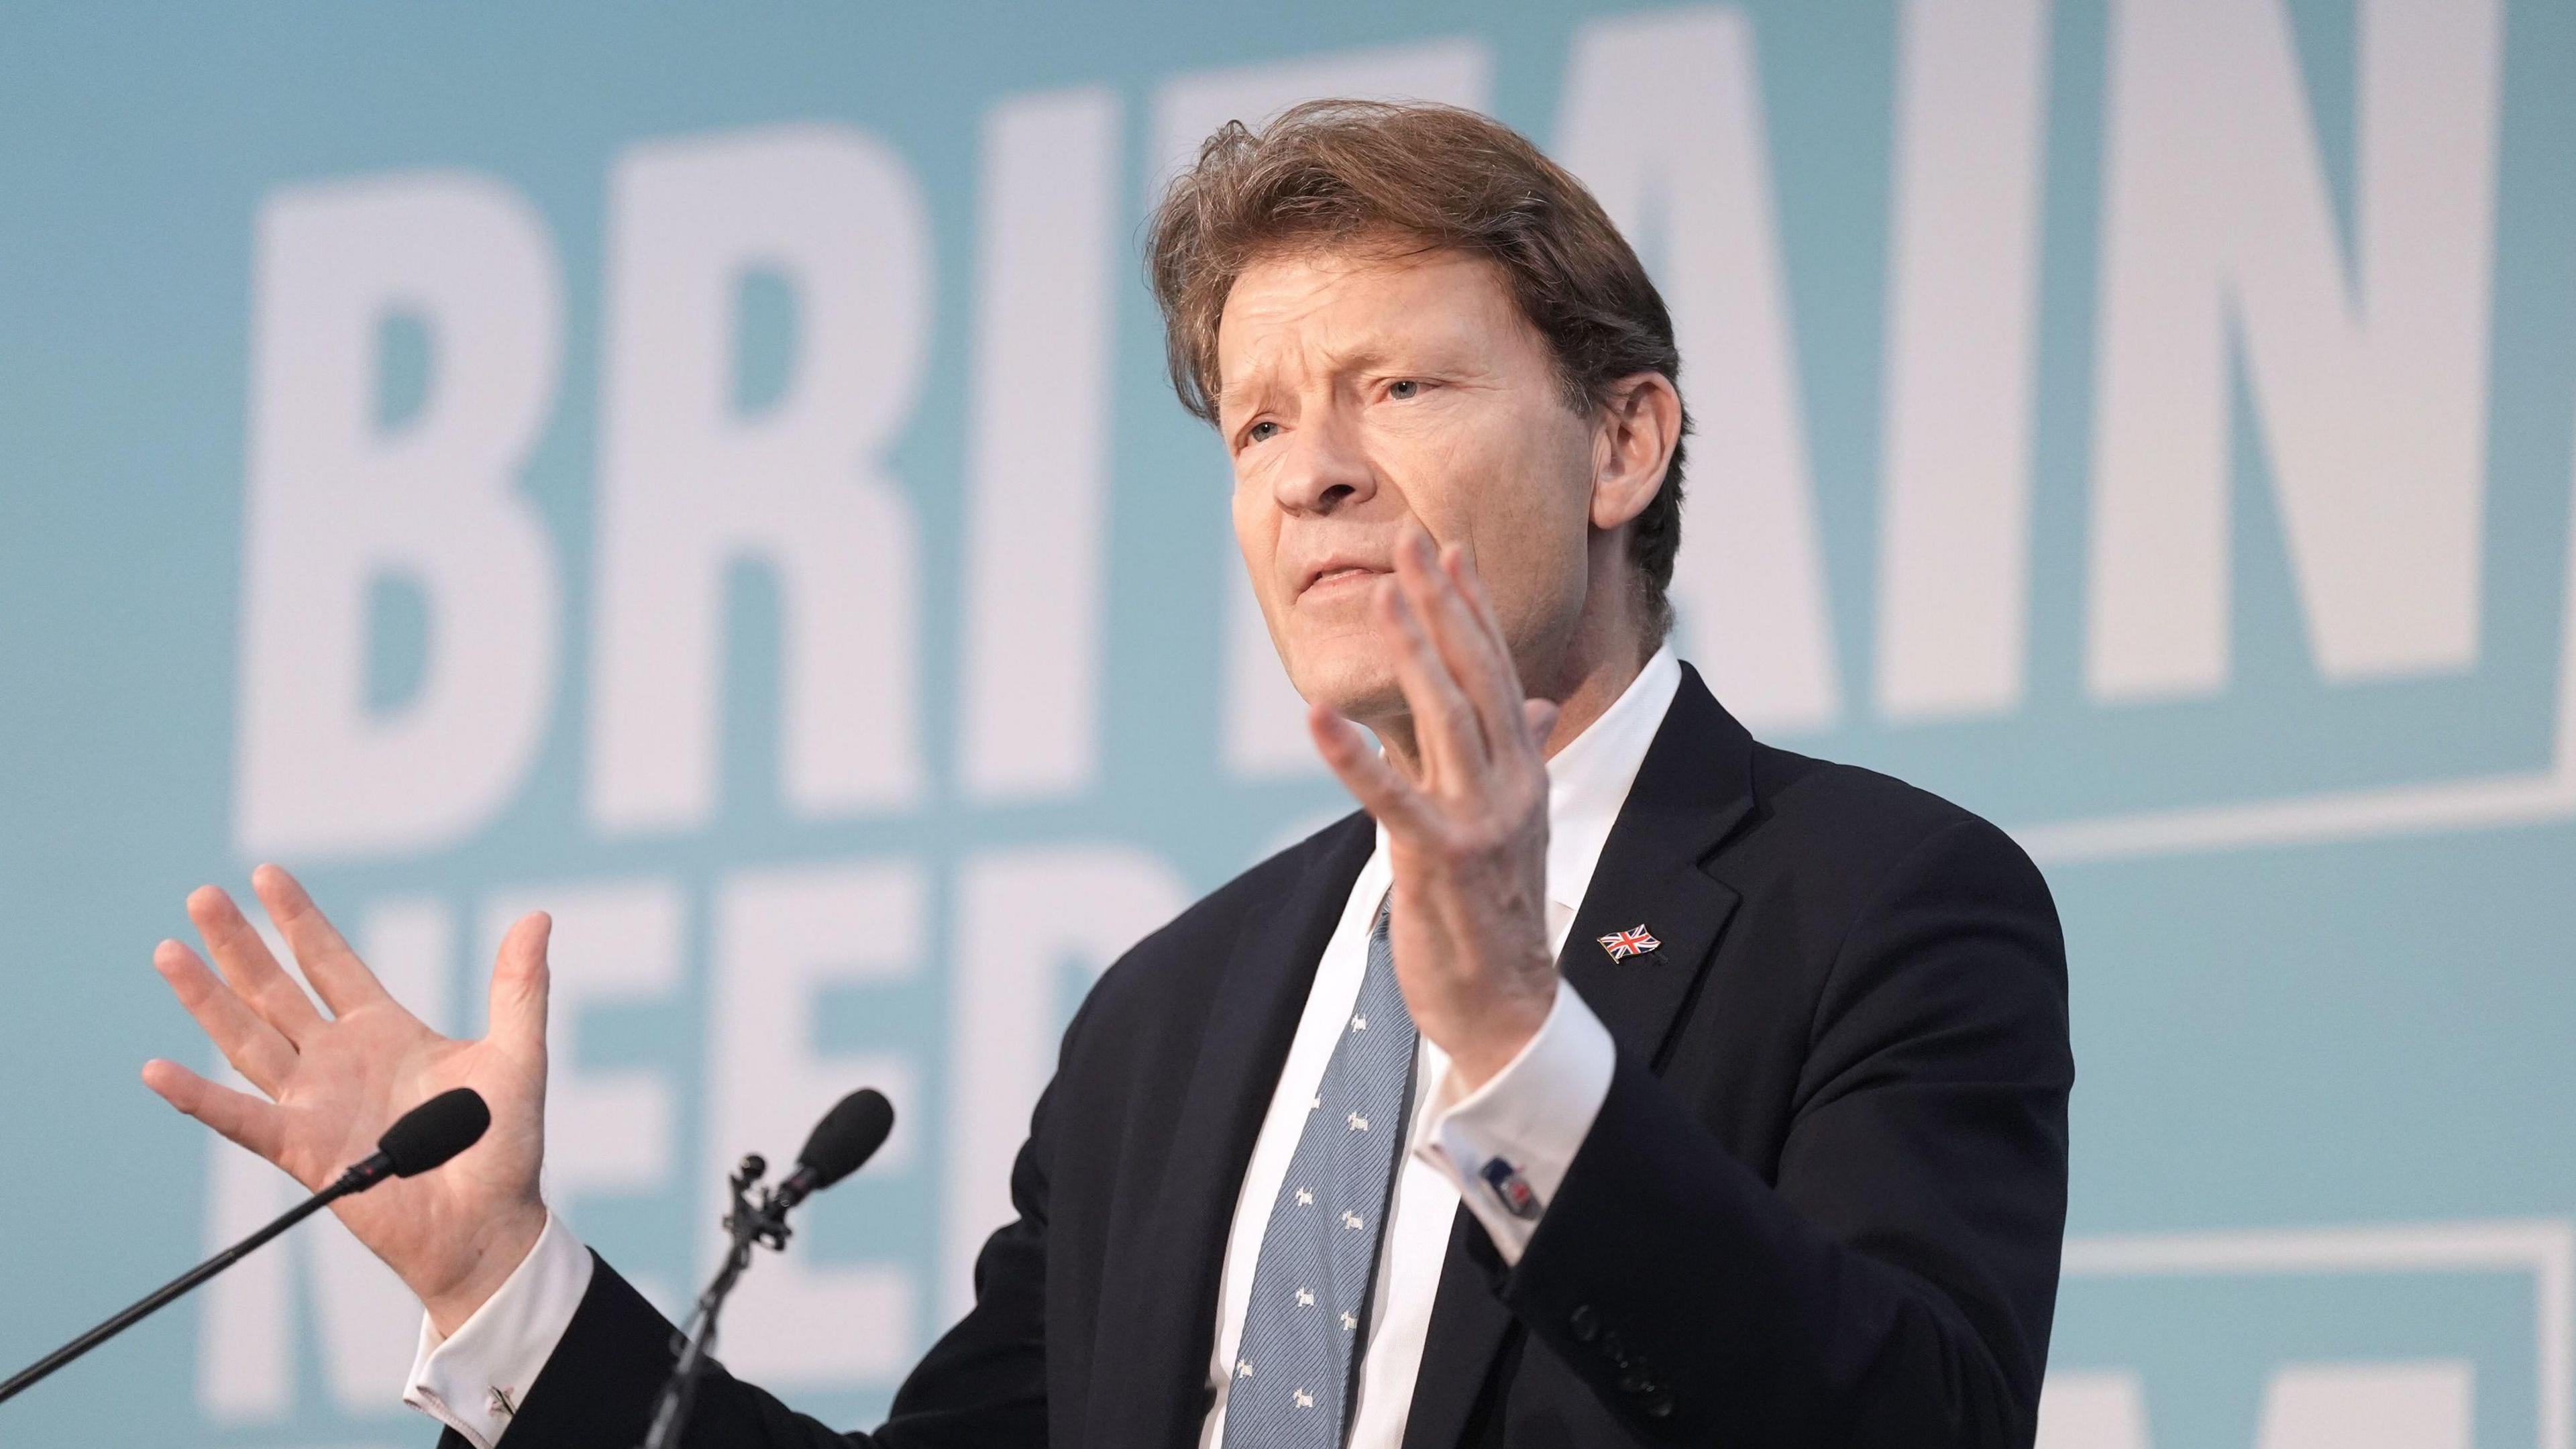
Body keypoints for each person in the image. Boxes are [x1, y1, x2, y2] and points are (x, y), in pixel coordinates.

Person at [142, 101, 2072, 1448]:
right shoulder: (1175, 1015)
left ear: (1623, 446)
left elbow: (1912, 1423)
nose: (1308, 469)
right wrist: (502, 1280)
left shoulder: (1886, 903)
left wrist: (1512, 1049)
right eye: (1255, 420)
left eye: (1395, 387)